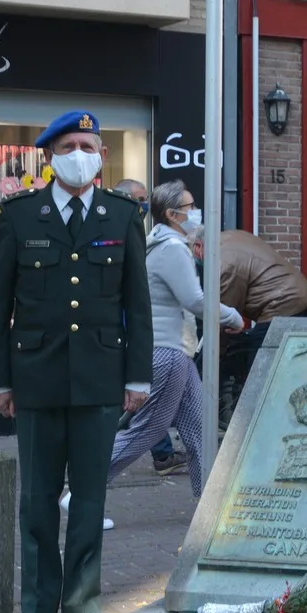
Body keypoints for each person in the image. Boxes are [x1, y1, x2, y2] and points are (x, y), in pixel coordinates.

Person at [0, 111, 153, 613]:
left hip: (102, 377)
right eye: (70, 145)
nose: (80, 153)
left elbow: (137, 305)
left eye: (89, 145)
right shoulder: (19, 215)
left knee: (88, 498)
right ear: (51, 155)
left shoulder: (122, 215)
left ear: (102, 156)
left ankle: (81, 603)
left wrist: (137, 378)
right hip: (35, 377)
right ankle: (37, 606)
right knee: (36, 499)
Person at [63, 180, 245, 528]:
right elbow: (194, 300)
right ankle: (82, 494)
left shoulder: (163, 244)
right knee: (148, 430)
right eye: (190, 207)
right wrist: (233, 315)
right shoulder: (172, 249)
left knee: (199, 428)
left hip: (175, 351)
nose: (196, 213)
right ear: (173, 214)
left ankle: (212, 505)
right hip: (168, 352)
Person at [113, 178, 187, 476]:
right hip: (120, 330)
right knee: (139, 402)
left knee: (155, 400)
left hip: (141, 330)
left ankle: (169, 455)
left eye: (146, 199)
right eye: (140, 199)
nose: (145, 206)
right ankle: (93, 463)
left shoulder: (140, 234)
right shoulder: (114, 232)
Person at [188, 226, 307, 359]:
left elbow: (221, 318)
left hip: (282, 303)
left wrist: (210, 359)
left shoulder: (224, 265)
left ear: (198, 247)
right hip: (302, 294)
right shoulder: (232, 236)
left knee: (261, 362)